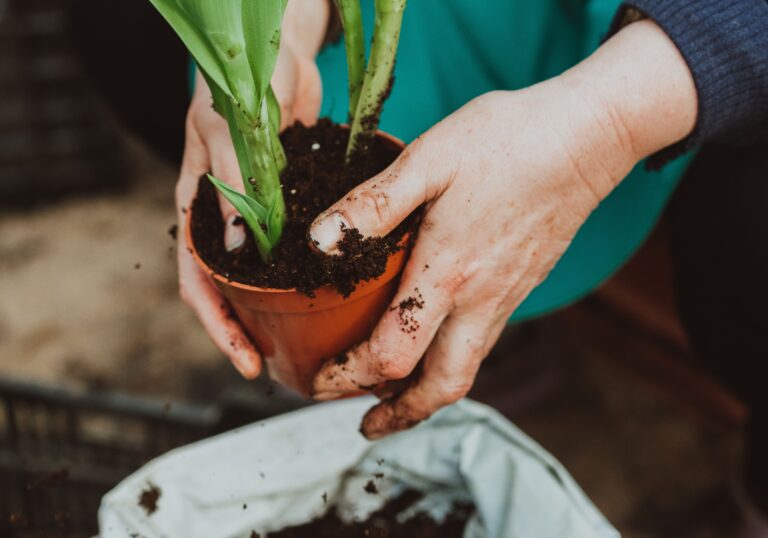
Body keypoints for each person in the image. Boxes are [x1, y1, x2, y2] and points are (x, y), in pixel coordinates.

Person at [70, 0, 768, 534]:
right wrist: (273, 27)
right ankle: (451, 318)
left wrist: (605, 127)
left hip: (654, 48)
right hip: (426, 26)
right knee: (123, 21)